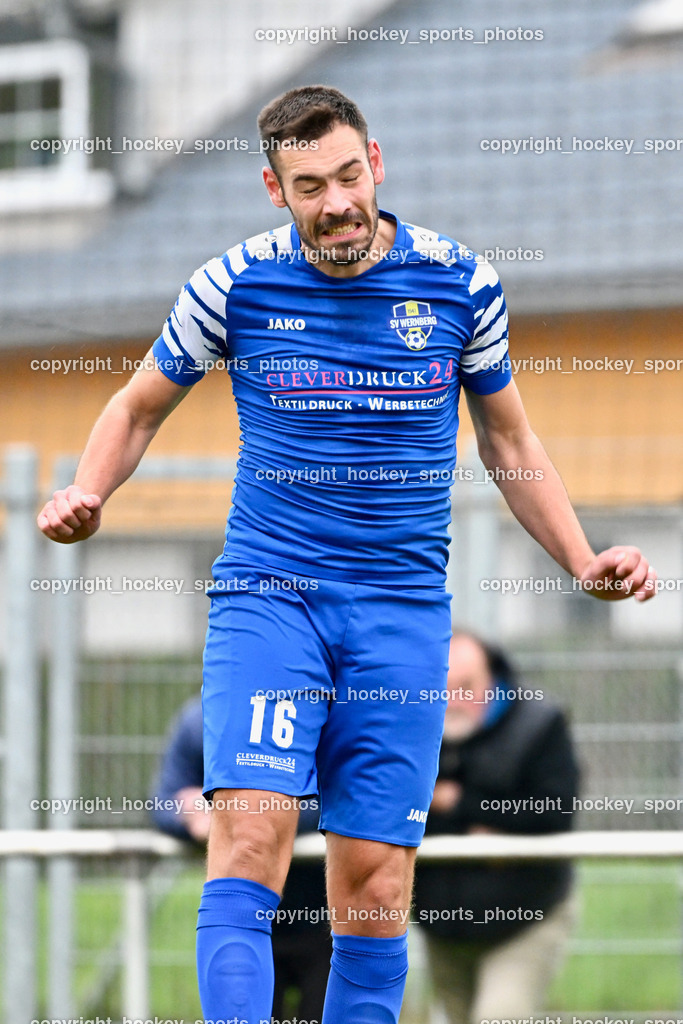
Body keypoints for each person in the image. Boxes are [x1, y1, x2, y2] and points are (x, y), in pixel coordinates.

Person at [37, 84, 656, 1024]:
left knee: (371, 884)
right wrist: (88, 492)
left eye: (348, 175)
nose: (335, 202)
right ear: (273, 189)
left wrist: (580, 560)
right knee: (251, 839)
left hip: (400, 612)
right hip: (269, 595)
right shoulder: (232, 284)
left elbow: (510, 445)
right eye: (309, 185)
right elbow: (134, 408)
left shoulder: (460, 283)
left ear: (378, 163)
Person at [414, 632, 579, 1024]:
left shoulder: (540, 724)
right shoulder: (413, 727)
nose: (453, 699)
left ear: (492, 679)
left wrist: (457, 803)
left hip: (525, 919)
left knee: (498, 1016)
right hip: (443, 928)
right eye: (442, 687)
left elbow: (555, 811)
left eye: (465, 687)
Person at [151, 696, 331, 1022]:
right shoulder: (198, 720)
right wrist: (189, 814)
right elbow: (163, 802)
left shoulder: (319, 714)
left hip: (321, 922)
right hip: (244, 919)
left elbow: (336, 802)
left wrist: (234, 815)